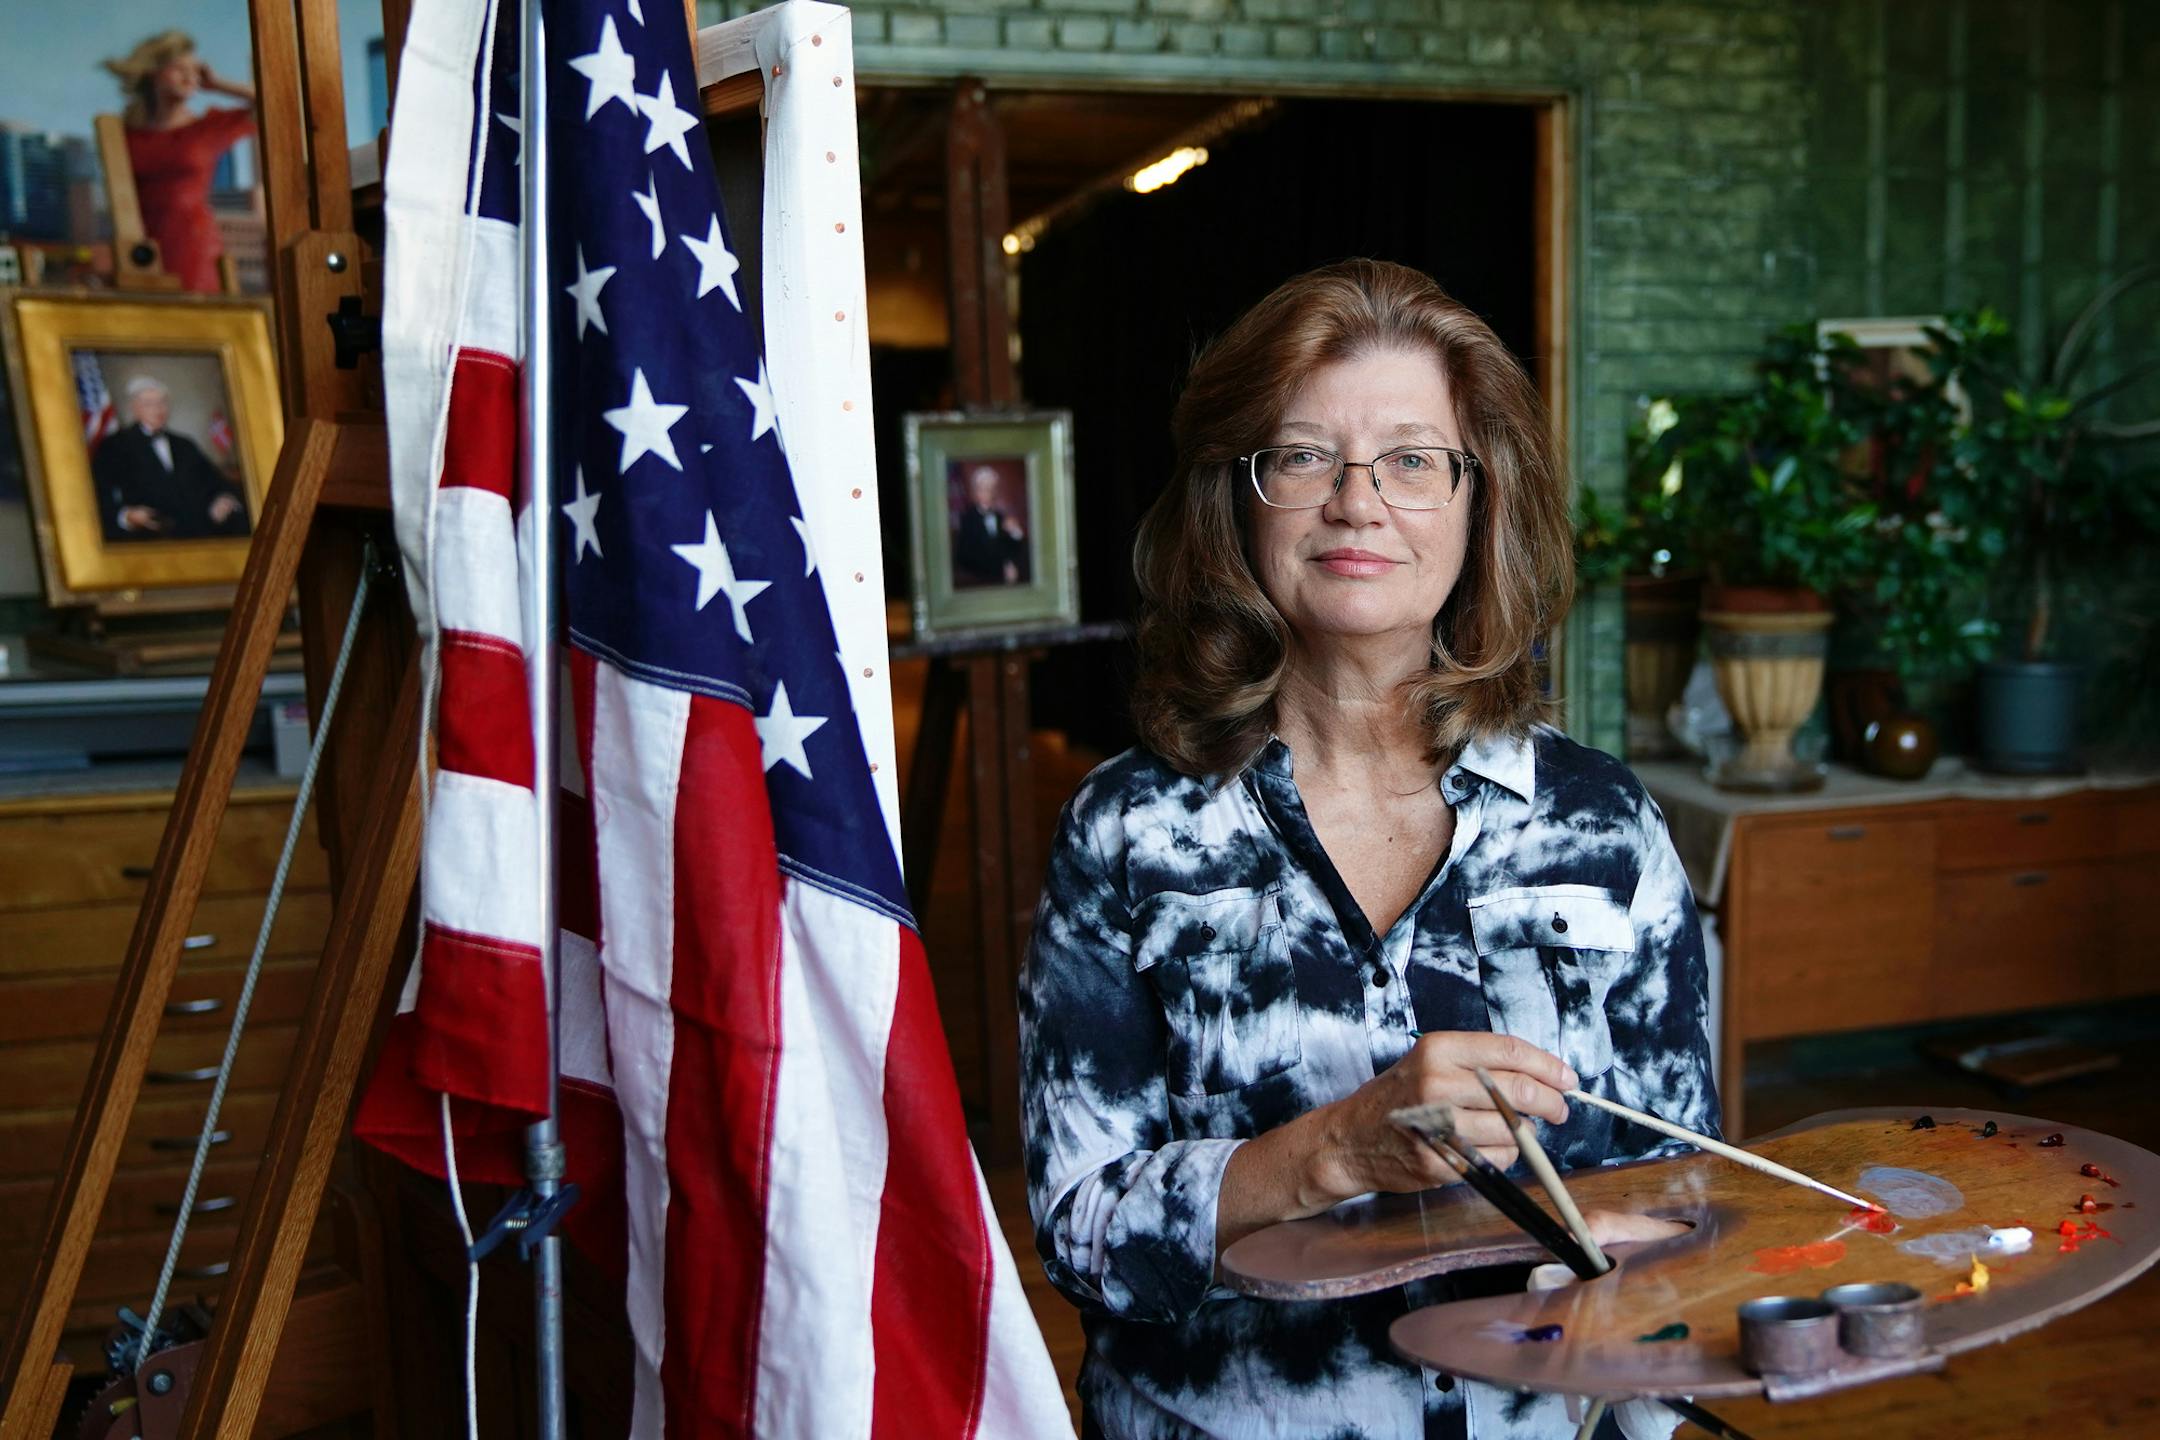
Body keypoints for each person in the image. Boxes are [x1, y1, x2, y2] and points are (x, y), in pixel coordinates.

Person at [1020, 260, 1718, 1440]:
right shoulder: (1128, 833)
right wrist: (1337, 1148)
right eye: (1303, 456)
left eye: (1412, 459)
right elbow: (1083, 1232)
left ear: (1479, 500)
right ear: (1236, 495)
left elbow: (1684, 1205)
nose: (1357, 501)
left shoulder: (1603, 826)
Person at [102, 31, 257, 294]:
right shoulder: (122, 133)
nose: (190, 77)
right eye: (179, 69)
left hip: (193, 245)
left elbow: (273, 103)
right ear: (153, 72)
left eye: (194, 70)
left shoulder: (207, 129)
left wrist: (218, 84)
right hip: (139, 245)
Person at [93, 377, 250, 542]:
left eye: (162, 403)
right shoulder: (114, 445)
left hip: (196, 533)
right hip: (148, 537)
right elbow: (101, 495)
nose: (158, 409)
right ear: (135, 408)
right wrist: (127, 516)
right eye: (149, 404)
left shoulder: (184, 444)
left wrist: (221, 498)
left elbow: (215, 480)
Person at [951, 462, 1030, 585]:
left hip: (1004, 575)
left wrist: (1015, 532)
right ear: (975, 492)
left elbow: (1011, 548)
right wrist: (1002, 568)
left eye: (992, 488)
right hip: (982, 575)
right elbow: (965, 557)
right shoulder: (968, 518)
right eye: (983, 488)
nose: (988, 493)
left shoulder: (1000, 516)